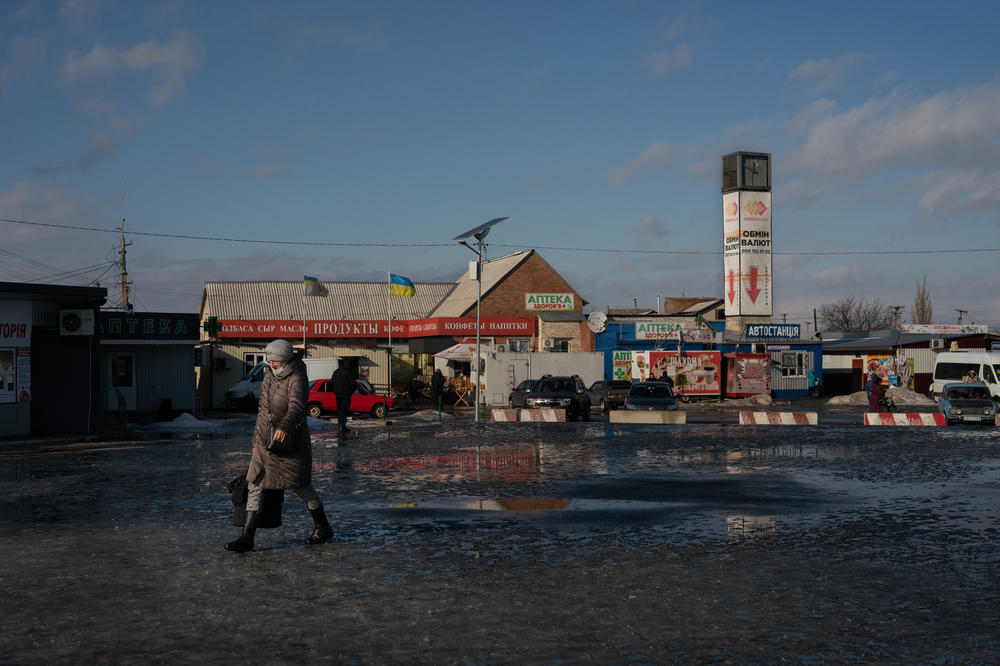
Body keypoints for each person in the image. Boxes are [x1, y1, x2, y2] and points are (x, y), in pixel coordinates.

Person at [225, 339, 332, 552]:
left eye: (276, 361)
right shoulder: (269, 377)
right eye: (270, 360)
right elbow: (263, 412)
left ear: (286, 359)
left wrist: (285, 427)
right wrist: (257, 442)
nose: (272, 364)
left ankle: (323, 527)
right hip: (266, 441)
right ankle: (247, 537)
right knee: (254, 484)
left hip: (289, 443)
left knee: (301, 487)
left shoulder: (298, 376)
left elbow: (297, 408)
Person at [330, 361, 354, 435]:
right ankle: (342, 426)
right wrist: (351, 392)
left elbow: (332, 382)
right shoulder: (348, 372)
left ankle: (340, 425)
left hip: (337, 394)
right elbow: (352, 384)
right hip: (346, 394)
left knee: (340, 410)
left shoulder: (336, 372)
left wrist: (335, 390)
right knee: (344, 410)